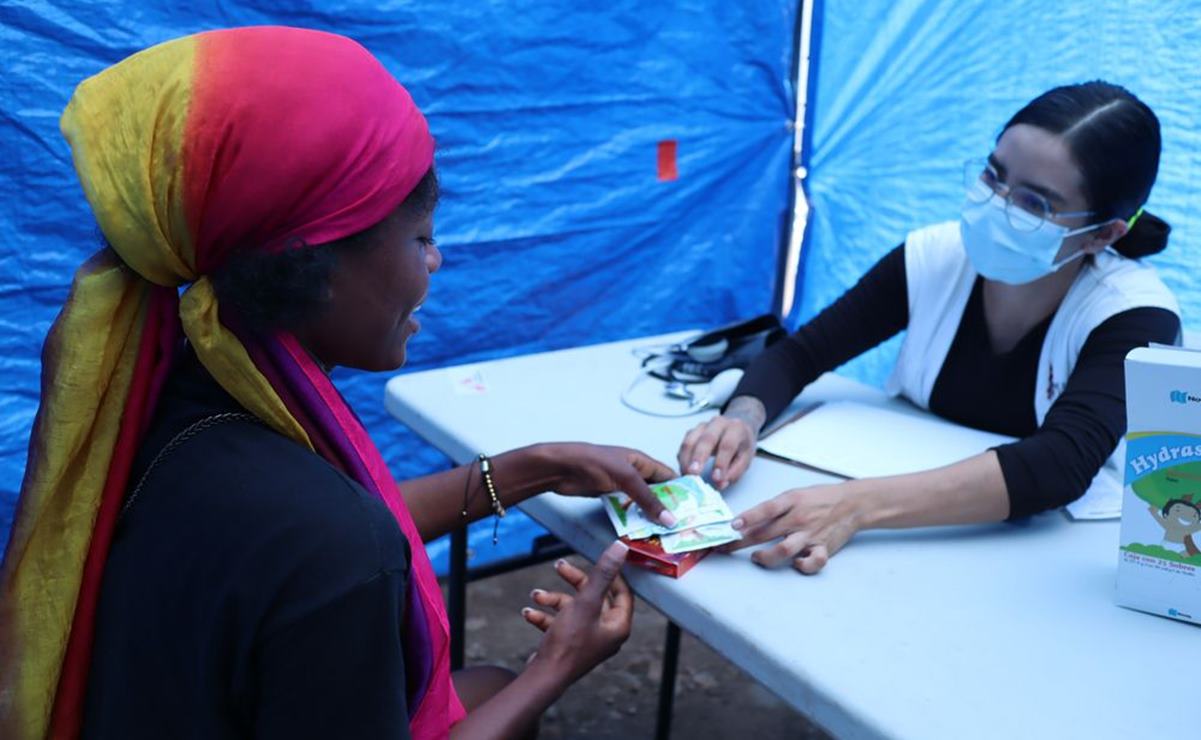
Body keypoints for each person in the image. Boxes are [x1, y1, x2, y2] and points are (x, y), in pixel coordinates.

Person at [0, 27, 681, 739]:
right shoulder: (331, 543)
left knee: (488, 686)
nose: (436, 262)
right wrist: (558, 664)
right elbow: (338, 546)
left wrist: (534, 467)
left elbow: (333, 537)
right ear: (314, 267)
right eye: (420, 237)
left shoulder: (163, 398)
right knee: (510, 691)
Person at [677, 81, 1181, 575]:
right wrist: (743, 417)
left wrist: (856, 506)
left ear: (1103, 234)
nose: (996, 205)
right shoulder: (934, 257)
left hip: (1033, 568)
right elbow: (801, 353)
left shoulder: (1134, 314)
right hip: (902, 549)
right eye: (992, 175)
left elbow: (1059, 466)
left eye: (1035, 204)